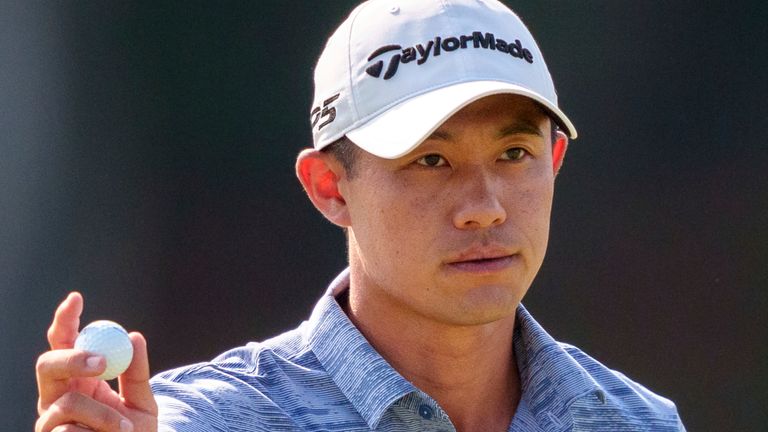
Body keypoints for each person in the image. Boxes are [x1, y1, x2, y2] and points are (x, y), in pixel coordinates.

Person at [35, 1, 686, 431]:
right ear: (329, 187)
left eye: (515, 153)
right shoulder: (197, 422)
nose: (484, 208)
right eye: (430, 161)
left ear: (556, 160)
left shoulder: (643, 423)